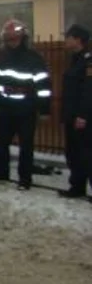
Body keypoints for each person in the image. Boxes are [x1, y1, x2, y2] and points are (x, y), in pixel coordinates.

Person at [0, 19, 52, 190]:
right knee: (0, 143)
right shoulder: (4, 58)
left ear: (23, 38)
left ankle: (25, 179)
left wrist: (44, 108)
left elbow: (43, 86)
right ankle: (1, 172)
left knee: (26, 146)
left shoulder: (34, 58)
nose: (11, 43)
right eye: (8, 39)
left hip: (26, 108)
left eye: (14, 39)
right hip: (6, 108)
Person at [58, 24, 92, 199]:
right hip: (72, 116)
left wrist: (83, 116)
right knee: (73, 153)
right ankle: (77, 187)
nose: (66, 40)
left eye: (68, 37)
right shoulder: (76, 59)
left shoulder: (88, 61)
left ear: (78, 40)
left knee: (87, 154)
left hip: (82, 118)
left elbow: (89, 90)